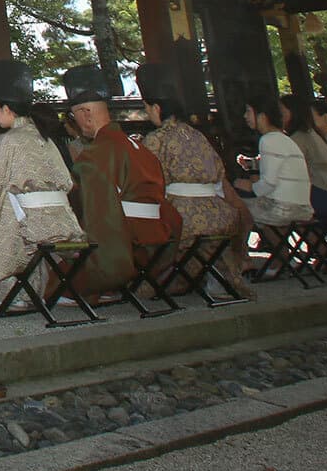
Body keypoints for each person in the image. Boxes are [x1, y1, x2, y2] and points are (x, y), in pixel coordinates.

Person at [0, 59, 88, 313]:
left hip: (27, 230)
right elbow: (67, 182)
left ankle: (2, 292)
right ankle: (29, 291)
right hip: (63, 224)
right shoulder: (43, 137)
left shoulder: (10, 141)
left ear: (5, 109)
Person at [62, 65, 179, 301]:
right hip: (158, 240)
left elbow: (101, 217)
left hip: (127, 243)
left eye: (75, 116)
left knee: (53, 276)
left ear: (85, 113)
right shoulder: (139, 148)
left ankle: (108, 285)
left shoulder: (96, 155)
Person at [137, 64, 252, 298]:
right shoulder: (198, 135)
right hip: (219, 214)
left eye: (147, 109)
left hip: (184, 215)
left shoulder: (157, 138)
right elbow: (219, 173)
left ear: (157, 108)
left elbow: (150, 178)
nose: (148, 114)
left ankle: (153, 284)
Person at [231, 97, 313, 244]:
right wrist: (253, 166)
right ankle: (279, 260)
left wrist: (247, 186)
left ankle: (241, 259)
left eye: (249, 111)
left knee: (234, 208)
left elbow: (268, 184)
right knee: (259, 212)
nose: (245, 116)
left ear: (262, 116)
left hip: (283, 208)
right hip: (303, 207)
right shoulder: (285, 139)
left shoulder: (268, 140)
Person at [283, 93, 327, 220]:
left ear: (293, 112)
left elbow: (287, 169)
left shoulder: (300, 137)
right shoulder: (313, 134)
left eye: (281, 111)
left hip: (321, 197)